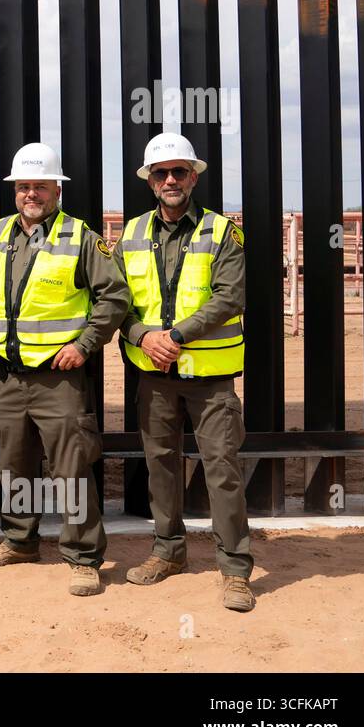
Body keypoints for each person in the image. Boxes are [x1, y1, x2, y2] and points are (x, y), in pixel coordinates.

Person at [0, 142, 130, 596]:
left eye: (40, 185)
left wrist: (84, 344)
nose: (31, 194)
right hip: (10, 377)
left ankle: (82, 556)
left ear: (57, 189)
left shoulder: (80, 237)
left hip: (59, 378)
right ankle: (20, 541)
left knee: (71, 468)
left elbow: (114, 297)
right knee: (14, 465)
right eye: (23, 186)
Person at [114, 132, 254, 612]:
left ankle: (235, 570)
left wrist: (174, 336)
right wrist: (141, 336)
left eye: (179, 171)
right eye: (161, 173)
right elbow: (117, 304)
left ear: (194, 177)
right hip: (153, 377)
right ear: (150, 182)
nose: (170, 180)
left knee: (222, 471)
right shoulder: (130, 234)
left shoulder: (222, 231)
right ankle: (168, 552)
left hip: (210, 379)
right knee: (161, 467)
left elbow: (230, 295)